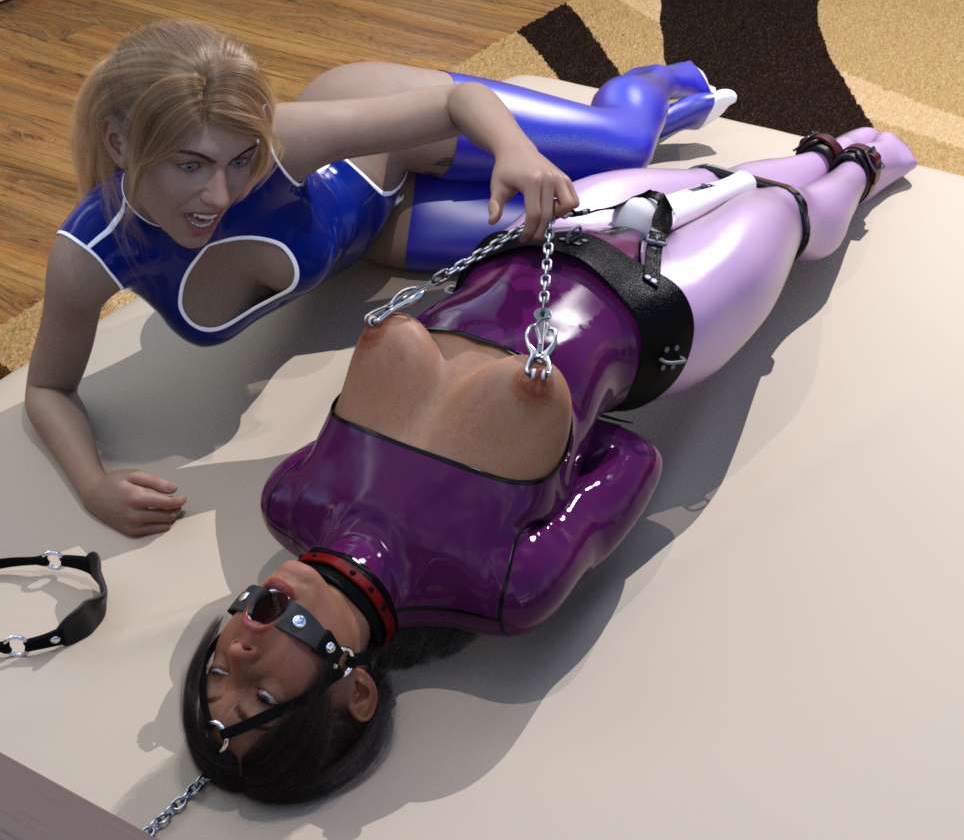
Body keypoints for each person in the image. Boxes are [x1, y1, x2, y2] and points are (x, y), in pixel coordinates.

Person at [177, 127, 917, 806]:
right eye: (260, 696)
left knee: (731, 178)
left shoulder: (293, 499)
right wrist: (551, 425)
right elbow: (631, 457)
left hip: (532, 244)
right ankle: (862, 165)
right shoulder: (501, 586)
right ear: (356, 695)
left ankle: (820, 153)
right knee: (786, 208)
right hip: (664, 308)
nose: (237, 648)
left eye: (218, 673)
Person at [23, 19, 732, 538]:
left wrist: (512, 149)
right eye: (190, 165)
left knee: (619, 148)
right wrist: (92, 484)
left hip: (399, 147)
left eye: (238, 161)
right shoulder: (89, 254)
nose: (221, 193)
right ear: (118, 143)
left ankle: (655, 88)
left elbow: (456, 107)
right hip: (380, 231)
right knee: (582, 222)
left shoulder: (282, 144)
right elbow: (48, 388)